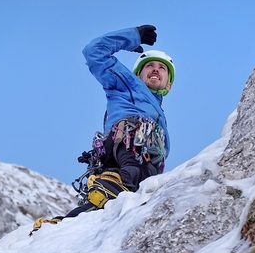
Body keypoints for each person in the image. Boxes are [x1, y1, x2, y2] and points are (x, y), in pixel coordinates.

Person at [29, 25, 175, 236]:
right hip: (128, 147)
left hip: (143, 165)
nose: (155, 69)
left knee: (120, 202)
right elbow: (94, 51)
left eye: (162, 68)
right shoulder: (127, 83)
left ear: (168, 85)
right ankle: (63, 227)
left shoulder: (159, 115)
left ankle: (65, 228)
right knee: (119, 187)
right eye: (149, 66)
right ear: (138, 74)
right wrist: (133, 37)